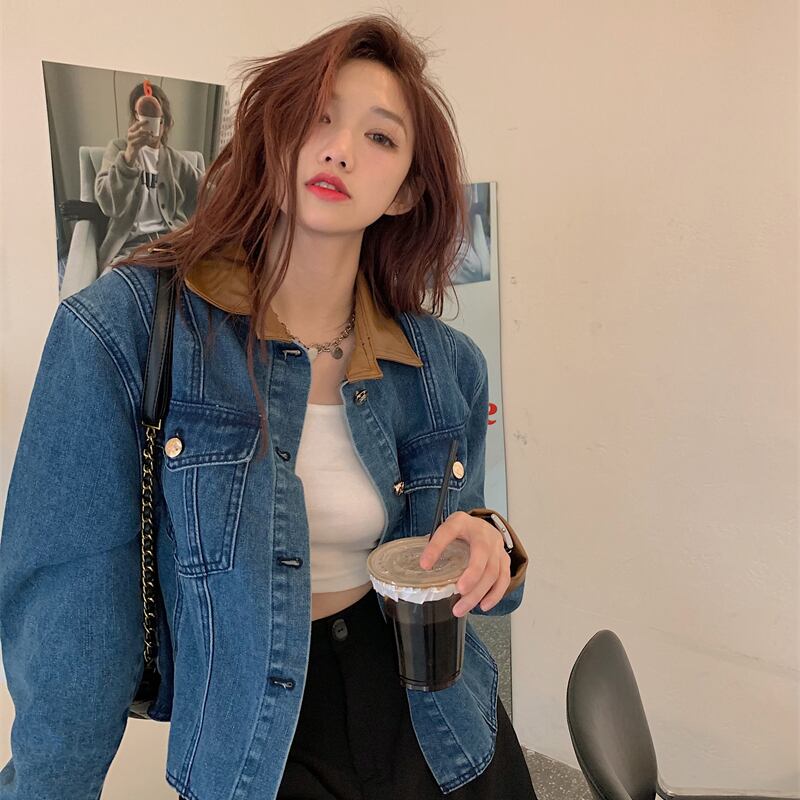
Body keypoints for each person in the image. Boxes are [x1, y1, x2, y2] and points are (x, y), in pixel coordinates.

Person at [0, 13, 535, 800]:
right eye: (317, 116)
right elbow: (71, 622)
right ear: (272, 133)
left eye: (380, 138)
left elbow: (471, 551)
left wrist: (495, 544)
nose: (340, 149)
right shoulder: (123, 330)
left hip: (443, 730)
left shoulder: (443, 364)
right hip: (256, 741)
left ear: (405, 192)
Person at [94, 81, 204, 275]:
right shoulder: (118, 150)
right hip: (129, 251)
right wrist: (129, 157)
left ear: (165, 122)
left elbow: (209, 193)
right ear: (135, 117)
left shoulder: (176, 161)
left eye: (155, 117)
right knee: (112, 288)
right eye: (143, 116)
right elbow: (109, 205)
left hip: (173, 247)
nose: (149, 123)